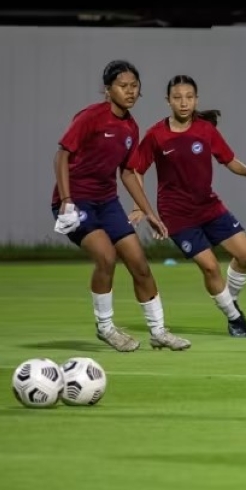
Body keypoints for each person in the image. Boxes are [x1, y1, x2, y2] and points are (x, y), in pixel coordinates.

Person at [51, 60, 191, 352]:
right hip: (76, 201)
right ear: (107, 89)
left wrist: (150, 213)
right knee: (106, 256)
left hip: (107, 202)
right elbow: (61, 156)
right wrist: (66, 202)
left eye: (134, 86)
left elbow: (127, 173)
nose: (129, 91)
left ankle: (159, 332)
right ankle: (105, 328)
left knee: (139, 263)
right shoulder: (91, 117)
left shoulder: (131, 127)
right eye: (122, 86)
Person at [127, 75, 246, 338]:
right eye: (177, 97)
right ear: (168, 100)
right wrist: (140, 206)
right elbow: (135, 169)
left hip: (209, 207)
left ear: (196, 100)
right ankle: (235, 319)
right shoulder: (156, 135)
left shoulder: (205, 130)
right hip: (177, 216)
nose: (184, 102)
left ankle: (229, 300)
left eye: (189, 97)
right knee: (211, 267)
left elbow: (229, 159)